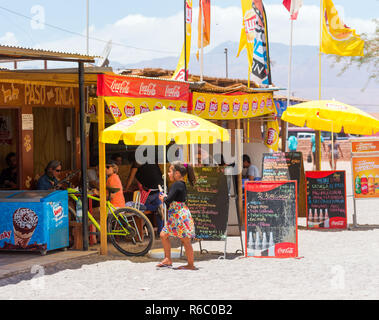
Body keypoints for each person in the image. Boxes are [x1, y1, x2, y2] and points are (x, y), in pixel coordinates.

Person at [158, 161, 197, 270]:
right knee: (164, 235)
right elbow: (173, 197)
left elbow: (168, 200)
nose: (168, 174)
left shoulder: (177, 184)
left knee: (185, 240)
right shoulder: (180, 184)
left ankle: (190, 264)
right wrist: (166, 197)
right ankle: (168, 259)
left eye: (170, 171)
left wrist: (163, 198)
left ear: (177, 173)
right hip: (177, 216)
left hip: (179, 216)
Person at [125, 157, 164, 233]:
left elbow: (131, 178)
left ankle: (156, 208)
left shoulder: (136, 165)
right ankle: (160, 231)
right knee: (159, 211)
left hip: (149, 192)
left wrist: (126, 188)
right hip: (160, 190)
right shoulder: (152, 162)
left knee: (138, 207)